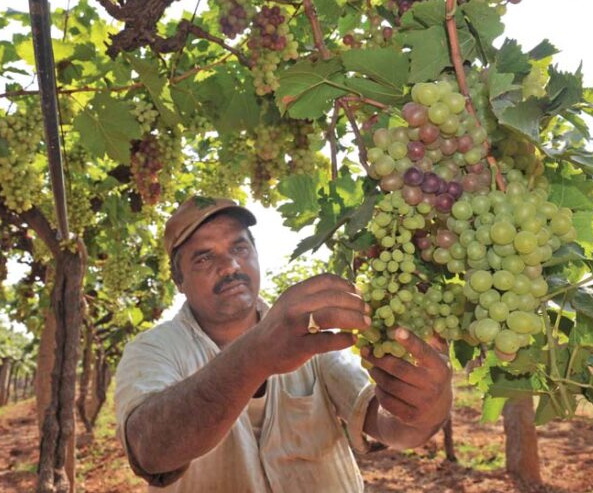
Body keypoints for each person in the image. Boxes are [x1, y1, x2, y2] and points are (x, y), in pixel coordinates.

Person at [115, 196, 452, 493]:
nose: (230, 266)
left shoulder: (310, 335)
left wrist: (423, 414)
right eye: (204, 258)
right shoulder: (152, 350)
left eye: (240, 248)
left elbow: (385, 422)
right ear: (179, 280)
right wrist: (254, 356)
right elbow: (149, 450)